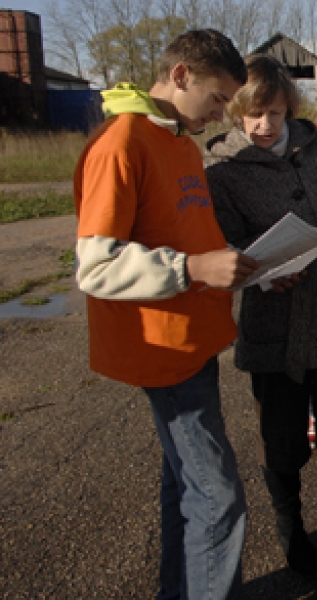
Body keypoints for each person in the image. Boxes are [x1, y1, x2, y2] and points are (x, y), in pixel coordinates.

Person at [73, 29, 254, 600]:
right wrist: (196, 270)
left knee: (189, 486)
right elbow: (96, 266)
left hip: (192, 341)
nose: (223, 112)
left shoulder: (175, 138)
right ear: (180, 77)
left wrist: (243, 264)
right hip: (164, 351)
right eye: (219, 98)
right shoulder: (121, 143)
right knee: (217, 499)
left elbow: (184, 230)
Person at [204, 55, 317, 580]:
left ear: (291, 109)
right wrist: (260, 271)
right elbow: (225, 243)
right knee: (282, 441)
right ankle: (294, 535)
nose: (266, 126)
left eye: (276, 113)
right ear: (238, 114)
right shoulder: (223, 171)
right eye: (255, 115)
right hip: (277, 321)